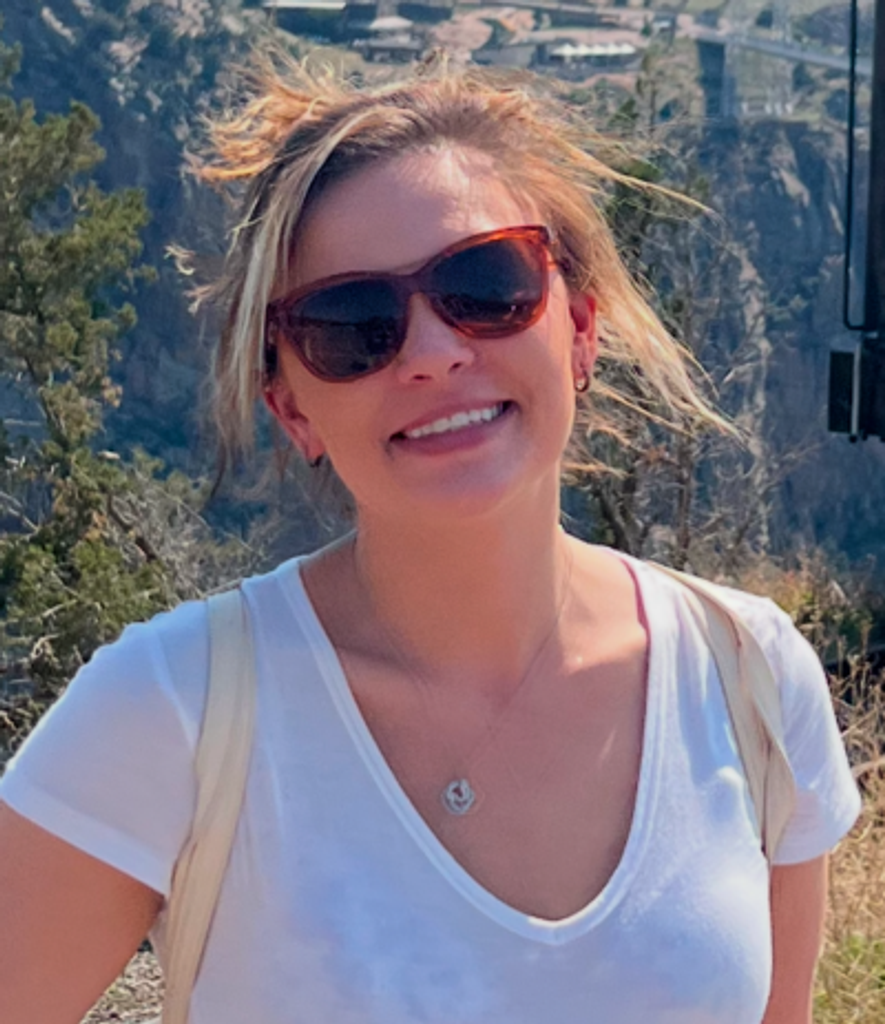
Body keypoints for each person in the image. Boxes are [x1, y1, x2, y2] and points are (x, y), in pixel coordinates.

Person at [0, 56, 861, 1024]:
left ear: (579, 328)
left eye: (486, 284)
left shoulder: (747, 675)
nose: (434, 353)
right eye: (351, 325)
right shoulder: (175, 707)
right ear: (293, 409)